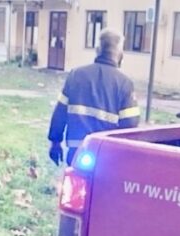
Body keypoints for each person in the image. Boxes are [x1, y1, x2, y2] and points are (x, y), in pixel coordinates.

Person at [47, 29, 141, 166]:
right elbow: (131, 125)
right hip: (107, 157)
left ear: (97, 50)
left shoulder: (76, 75)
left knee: (74, 180)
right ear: (120, 53)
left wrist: (55, 142)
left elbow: (60, 113)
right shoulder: (125, 84)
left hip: (76, 153)